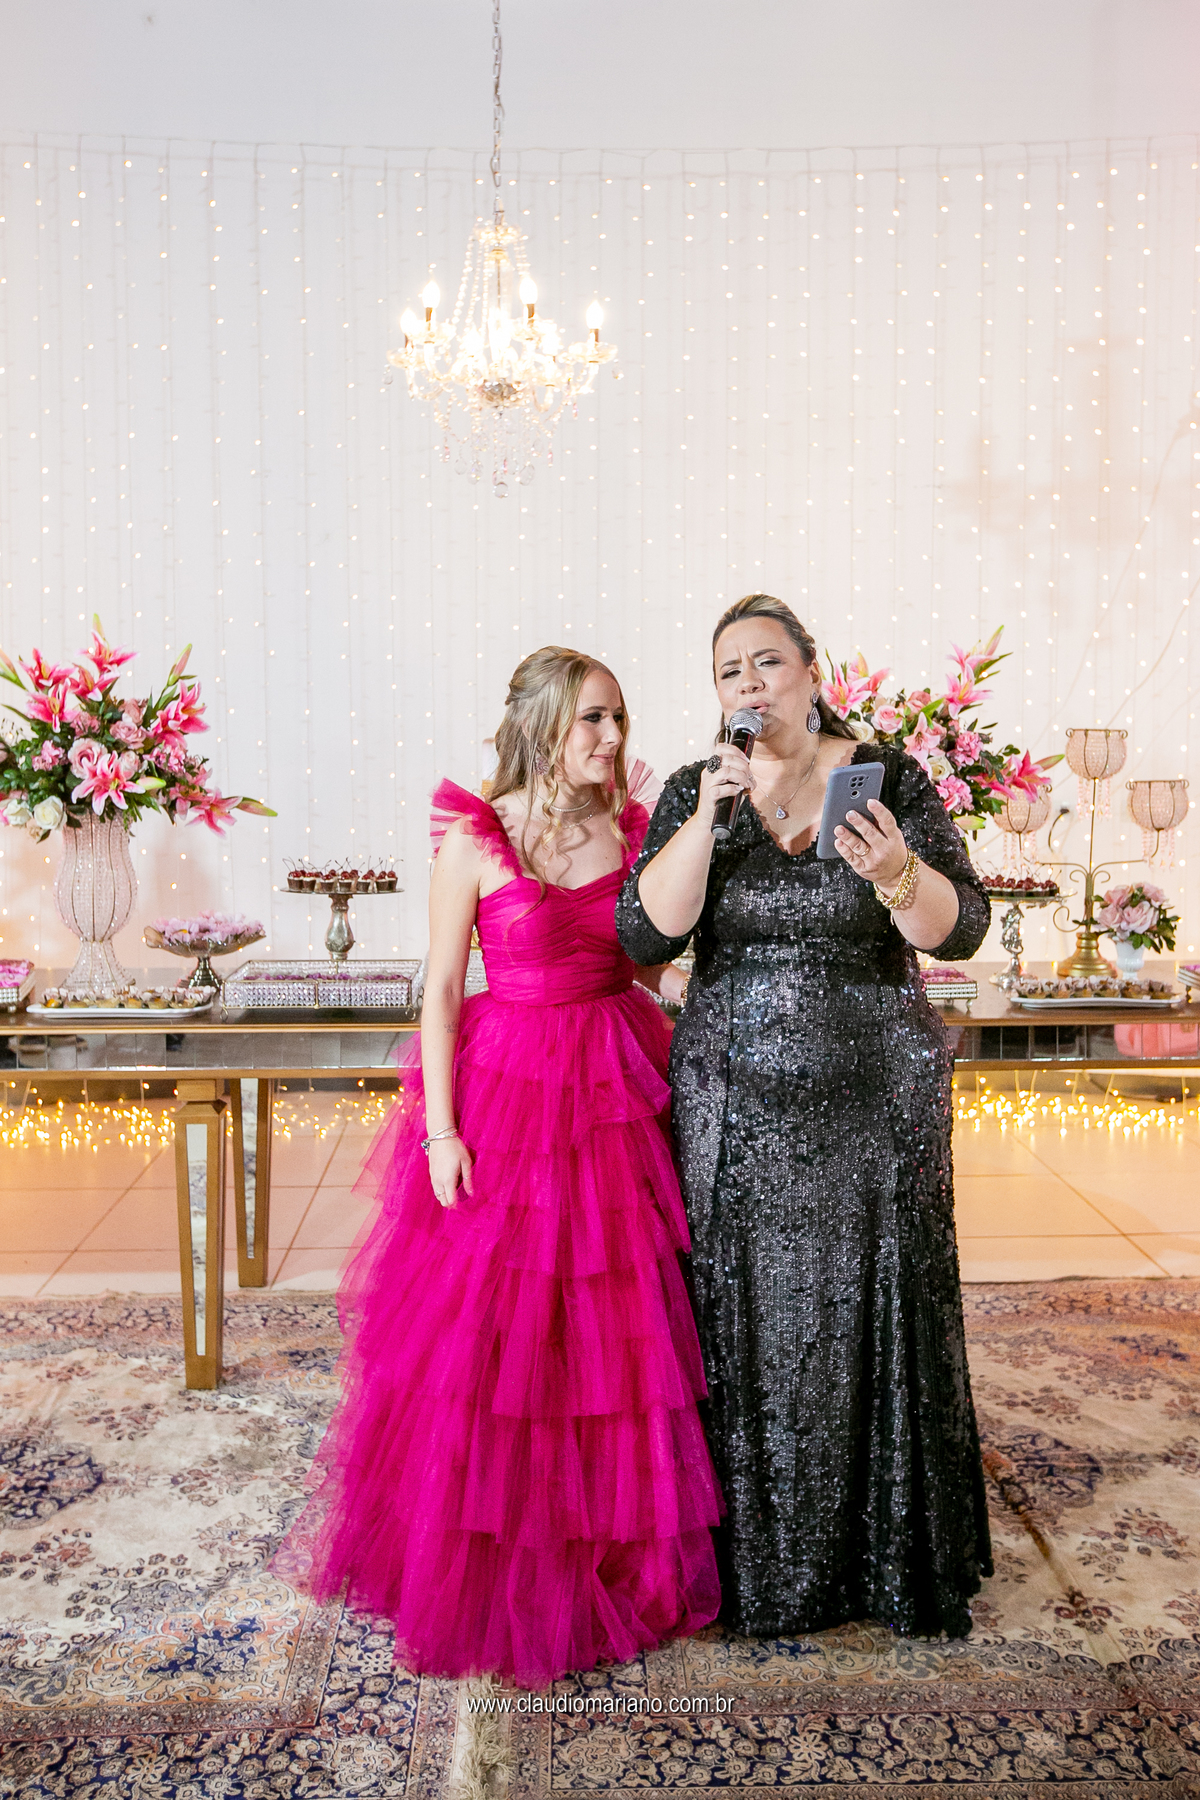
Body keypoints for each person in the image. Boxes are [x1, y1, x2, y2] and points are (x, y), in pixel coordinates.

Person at [290, 646, 722, 1687]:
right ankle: (493, 1544)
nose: (612, 738)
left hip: (613, 1073)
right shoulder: (476, 836)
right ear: (541, 726)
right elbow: (441, 989)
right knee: (499, 1326)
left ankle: (610, 1542)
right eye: (592, 720)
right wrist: (441, 1133)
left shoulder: (633, 826)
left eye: (618, 717)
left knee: (617, 1321)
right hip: (510, 1085)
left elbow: (651, 961)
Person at [614, 593, 993, 1641]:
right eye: (729, 670)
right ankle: (750, 1562)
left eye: (767, 662)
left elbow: (962, 928)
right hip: (732, 1108)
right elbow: (645, 936)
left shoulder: (889, 778)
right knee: (740, 1317)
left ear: (812, 673)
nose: (749, 683)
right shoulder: (698, 789)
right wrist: (707, 818)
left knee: (872, 1304)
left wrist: (896, 873)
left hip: (874, 1101)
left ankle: (882, 1561)